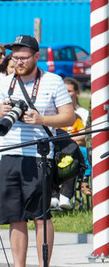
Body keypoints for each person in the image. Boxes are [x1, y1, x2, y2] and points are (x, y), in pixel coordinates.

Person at [0, 35, 74, 267]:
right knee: (14, 216)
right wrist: (0, 114)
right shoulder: (6, 83)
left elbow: (68, 117)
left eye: (24, 57)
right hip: (8, 153)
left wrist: (41, 119)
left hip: (38, 155)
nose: (18, 62)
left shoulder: (53, 81)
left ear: (36, 56)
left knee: (40, 216)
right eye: (15, 57)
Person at [53, 77, 90, 210]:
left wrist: (67, 140)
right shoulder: (54, 114)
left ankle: (66, 195)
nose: (66, 94)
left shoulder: (81, 115)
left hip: (75, 150)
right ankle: (54, 194)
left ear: (77, 92)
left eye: (69, 91)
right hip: (58, 149)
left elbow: (85, 136)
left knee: (72, 154)